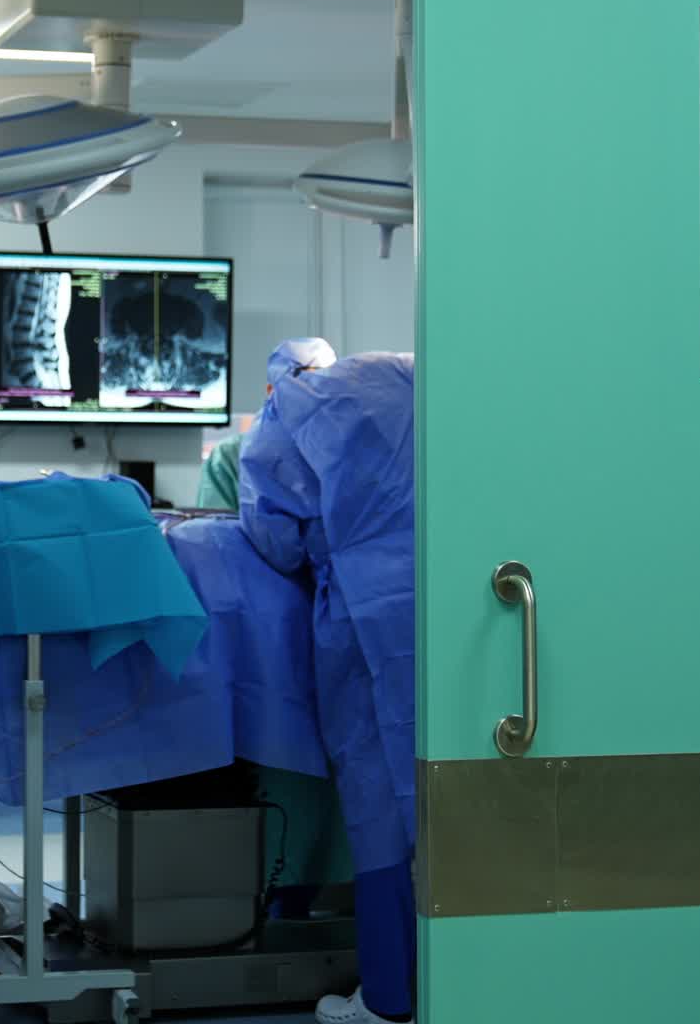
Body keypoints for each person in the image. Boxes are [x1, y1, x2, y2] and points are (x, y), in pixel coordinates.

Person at [240, 344, 416, 1024]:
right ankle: (468, 976)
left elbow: (275, 539)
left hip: (370, 623)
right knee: (456, 791)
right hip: (460, 602)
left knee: (381, 809)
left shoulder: (289, 409)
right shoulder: (408, 371)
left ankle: (389, 999)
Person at [195, 339, 338, 512]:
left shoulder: (343, 453)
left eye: (323, 388)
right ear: (272, 391)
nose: (313, 398)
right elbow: (215, 529)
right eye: (302, 387)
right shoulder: (230, 456)